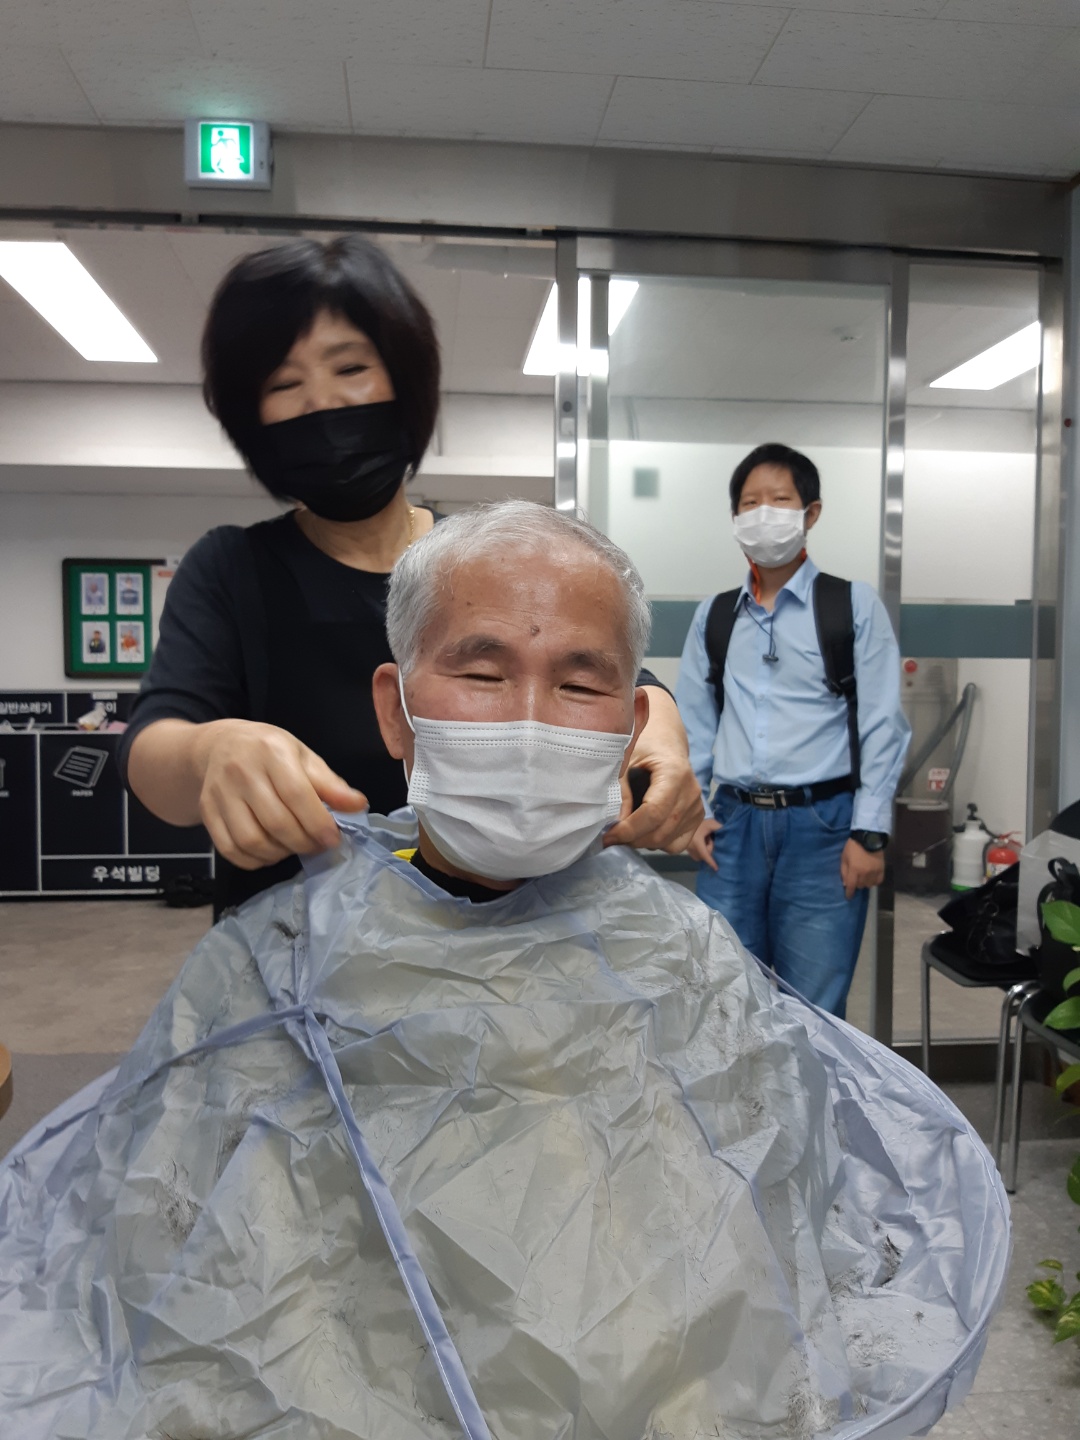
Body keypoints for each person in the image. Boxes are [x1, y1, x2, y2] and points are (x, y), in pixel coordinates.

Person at [0, 504, 1004, 1440]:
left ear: (633, 722)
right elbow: (190, 1294)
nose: (530, 719)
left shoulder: (687, 959)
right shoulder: (279, 972)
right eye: (481, 674)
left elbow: (768, 1264)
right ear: (396, 711)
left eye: (579, 684)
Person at [119, 236, 702, 915]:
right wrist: (208, 751)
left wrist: (660, 725)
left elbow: (601, 667)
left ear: (405, 379)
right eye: (284, 384)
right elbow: (153, 746)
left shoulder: (481, 560)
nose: (322, 403)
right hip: (298, 944)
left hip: (514, 932)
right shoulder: (232, 569)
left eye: (350, 368)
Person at [677, 444, 910, 1018]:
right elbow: (694, 724)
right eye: (749, 502)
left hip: (824, 827)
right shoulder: (715, 616)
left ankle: (812, 1086)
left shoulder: (851, 605)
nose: (763, 514)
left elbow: (883, 723)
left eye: (779, 500)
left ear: (811, 513)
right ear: (735, 517)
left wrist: (870, 834)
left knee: (814, 1008)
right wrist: (693, 812)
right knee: (725, 996)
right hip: (732, 827)